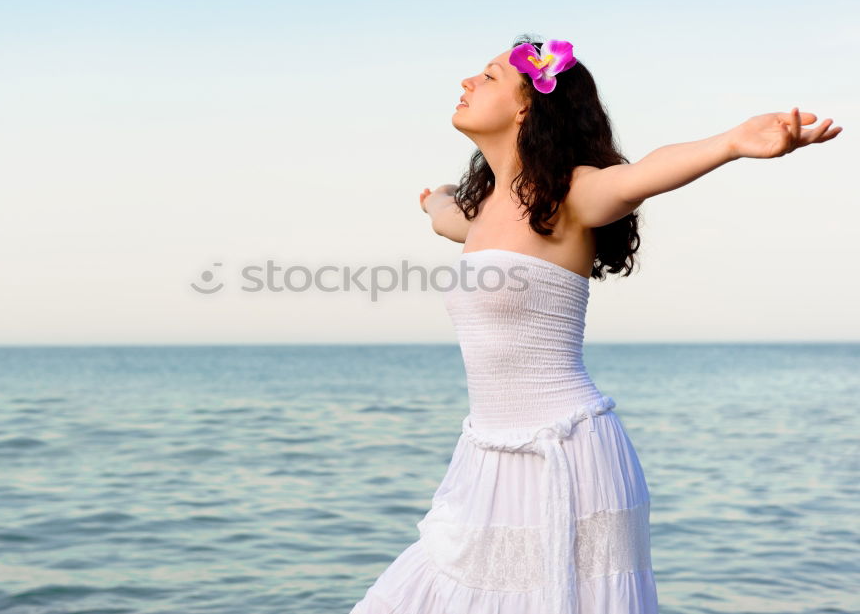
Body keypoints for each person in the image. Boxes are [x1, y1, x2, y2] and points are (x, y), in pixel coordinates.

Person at [349, 34, 842, 614]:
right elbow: (444, 220)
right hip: (486, 458)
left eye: (486, 77)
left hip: (569, 456)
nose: (466, 82)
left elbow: (646, 173)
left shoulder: (572, 193)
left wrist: (732, 142)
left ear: (528, 103)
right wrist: (436, 199)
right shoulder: (482, 213)